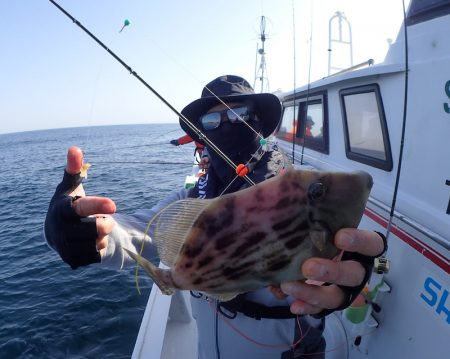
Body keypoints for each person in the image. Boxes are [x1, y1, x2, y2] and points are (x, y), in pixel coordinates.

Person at [45, 75, 386, 358]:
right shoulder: (193, 196)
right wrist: (85, 232)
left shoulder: (298, 187)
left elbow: (337, 237)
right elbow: (137, 232)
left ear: (258, 122)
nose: (225, 124)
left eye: (238, 113)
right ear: (203, 134)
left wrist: (349, 270)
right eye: (211, 120)